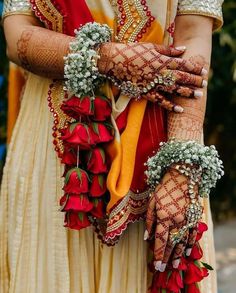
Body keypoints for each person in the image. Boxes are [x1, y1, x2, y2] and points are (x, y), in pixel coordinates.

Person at [0, 1, 223, 292]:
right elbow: (18, 37)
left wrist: (182, 169)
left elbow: (193, 38)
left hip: (163, 146)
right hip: (59, 151)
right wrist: (106, 58)